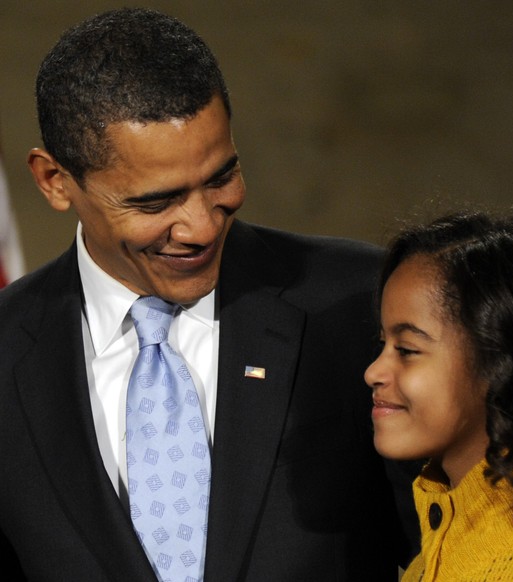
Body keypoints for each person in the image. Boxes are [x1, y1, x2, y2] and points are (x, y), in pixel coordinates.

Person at [0, 8, 416, 581]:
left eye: (221, 178)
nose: (200, 226)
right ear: (55, 181)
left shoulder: (362, 304)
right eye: (155, 202)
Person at [365, 211, 513, 580]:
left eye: (407, 349)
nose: (372, 373)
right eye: (383, 343)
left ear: (505, 361)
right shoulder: (432, 555)